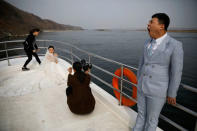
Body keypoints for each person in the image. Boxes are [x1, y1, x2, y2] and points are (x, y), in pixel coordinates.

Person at [133, 13, 183, 131]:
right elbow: (141, 64)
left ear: (161, 26)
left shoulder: (175, 45)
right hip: (142, 87)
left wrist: (172, 93)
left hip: (157, 90)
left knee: (152, 120)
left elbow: (176, 72)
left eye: (151, 22)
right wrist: (139, 81)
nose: (148, 24)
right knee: (140, 115)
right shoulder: (147, 43)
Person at [0, 45, 67, 97]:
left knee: (56, 66)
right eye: (50, 49)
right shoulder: (48, 55)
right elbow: (51, 61)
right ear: (48, 50)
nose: (51, 50)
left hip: (53, 64)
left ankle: (60, 75)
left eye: (52, 49)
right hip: (48, 65)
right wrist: (54, 58)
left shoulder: (54, 54)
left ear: (53, 49)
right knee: (52, 65)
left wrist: (55, 57)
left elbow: (56, 62)